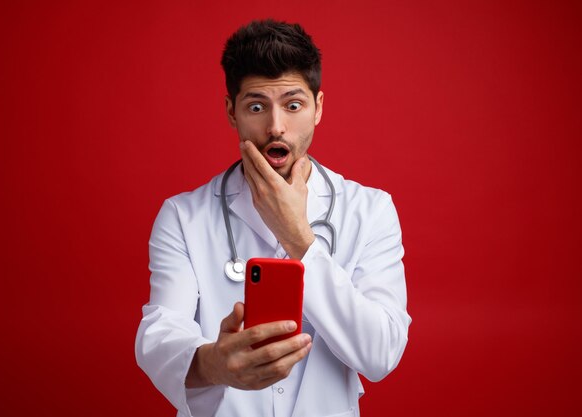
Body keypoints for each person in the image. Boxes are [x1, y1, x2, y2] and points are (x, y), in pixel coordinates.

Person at [135, 19, 411, 417]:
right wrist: (212, 363)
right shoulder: (183, 216)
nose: (275, 126)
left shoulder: (370, 210)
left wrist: (298, 237)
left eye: (293, 105)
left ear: (318, 108)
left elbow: (381, 353)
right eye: (256, 106)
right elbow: (160, 334)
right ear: (232, 112)